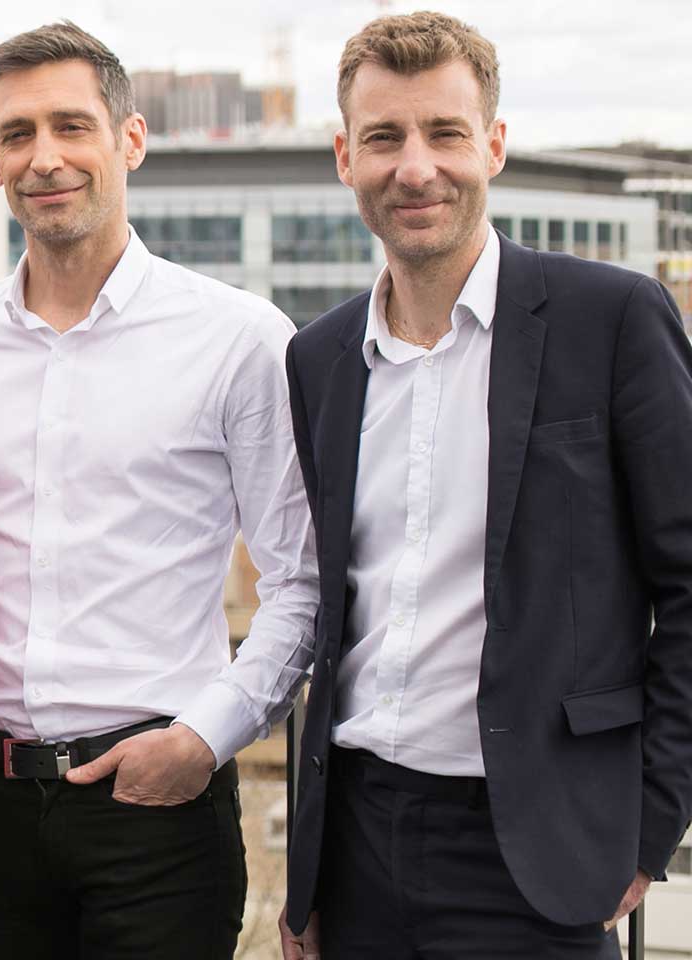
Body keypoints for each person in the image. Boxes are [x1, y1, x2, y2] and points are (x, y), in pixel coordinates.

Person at [280, 12, 692, 959]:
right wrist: (305, 881)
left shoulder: (613, 319)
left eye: (445, 134)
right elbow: (332, 613)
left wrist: (646, 829)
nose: (414, 167)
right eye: (383, 137)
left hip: (540, 852)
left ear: (494, 146)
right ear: (346, 158)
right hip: (356, 845)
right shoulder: (321, 357)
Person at [0, 22, 319, 960]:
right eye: (18, 134)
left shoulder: (238, 338)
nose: (44, 158)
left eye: (71, 126)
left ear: (129, 139)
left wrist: (206, 740)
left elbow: (299, 581)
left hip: (160, 810)